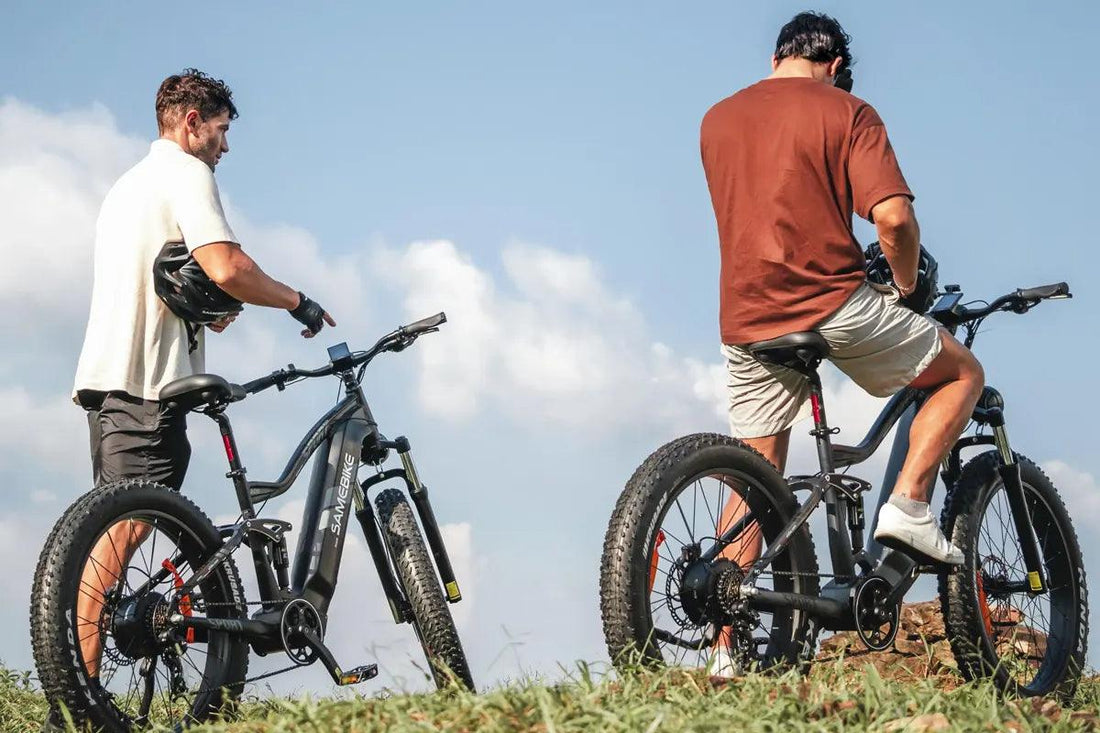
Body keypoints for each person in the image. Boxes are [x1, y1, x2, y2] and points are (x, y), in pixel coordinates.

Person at [699, 13, 984, 671]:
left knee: (752, 479)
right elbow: (892, 217)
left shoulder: (717, 120)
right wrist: (908, 286)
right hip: (830, 302)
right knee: (962, 373)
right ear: (834, 65)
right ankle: (910, 507)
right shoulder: (848, 110)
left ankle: (725, 651)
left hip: (745, 318)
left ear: (777, 58)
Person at [63, 69, 335, 699]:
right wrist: (298, 302)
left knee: (112, 531)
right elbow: (226, 263)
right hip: (147, 386)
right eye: (221, 131)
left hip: (110, 384)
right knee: (115, 541)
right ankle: (77, 695)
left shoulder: (127, 186)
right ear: (191, 123)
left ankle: (78, 686)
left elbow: (160, 279)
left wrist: (202, 309)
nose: (225, 147)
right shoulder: (187, 174)